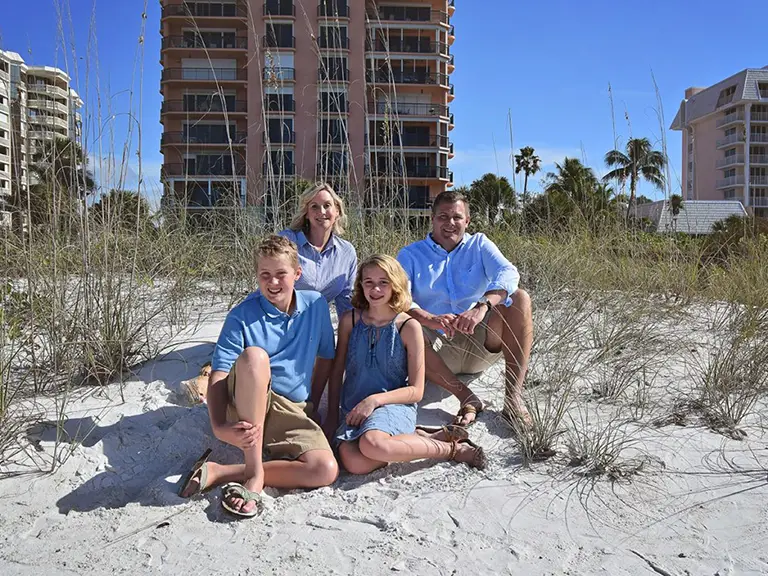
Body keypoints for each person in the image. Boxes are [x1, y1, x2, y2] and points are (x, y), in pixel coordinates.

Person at [179, 235, 339, 517]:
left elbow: (326, 357)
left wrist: (313, 403)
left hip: (290, 411)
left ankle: (220, 472)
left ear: (297, 274)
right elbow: (218, 374)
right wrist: (218, 426)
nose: (273, 283)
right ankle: (254, 473)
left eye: (281, 274)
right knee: (255, 357)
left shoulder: (316, 306)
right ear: (256, 276)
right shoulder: (241, 315)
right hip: (246, 405)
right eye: (265, 275)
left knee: (325, 469)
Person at [325, 254, 486, 475]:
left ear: (396, 285)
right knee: (355, 463)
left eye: (384, 282)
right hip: (354, 408)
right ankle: (416, 437)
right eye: (369, 282)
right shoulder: (349, 321)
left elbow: (416, 391)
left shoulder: (408, 326)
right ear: (360, 285)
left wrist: (374, 401)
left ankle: (451, 449)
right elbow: (336, 373)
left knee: (372, 444)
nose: (376, 289)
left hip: (393, 405)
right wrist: (332, 417)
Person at [396, 190, 533, 428]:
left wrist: (482, 306)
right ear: (432, 219)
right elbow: (400, 297)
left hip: (480, 343)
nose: (450, 223)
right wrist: (431, 318)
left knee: (519, 298)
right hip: (437, 349)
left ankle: (513, 398)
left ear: (467, 221)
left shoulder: (479, 244)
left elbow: (509, 273)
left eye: (457, 217)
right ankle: (465, 396)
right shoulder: (410, 254)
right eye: (443, 216)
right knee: (402, 321)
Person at [279, 182, 357, 316]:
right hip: (282, 323)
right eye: (314, 207)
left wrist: (351, 333)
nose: (321, 212)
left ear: (337, 210)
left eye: (327, 205)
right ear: (306, 213)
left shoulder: (347, 252)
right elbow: (269, 285)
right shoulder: (286, 241)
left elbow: (346, 302)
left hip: (319, 325)